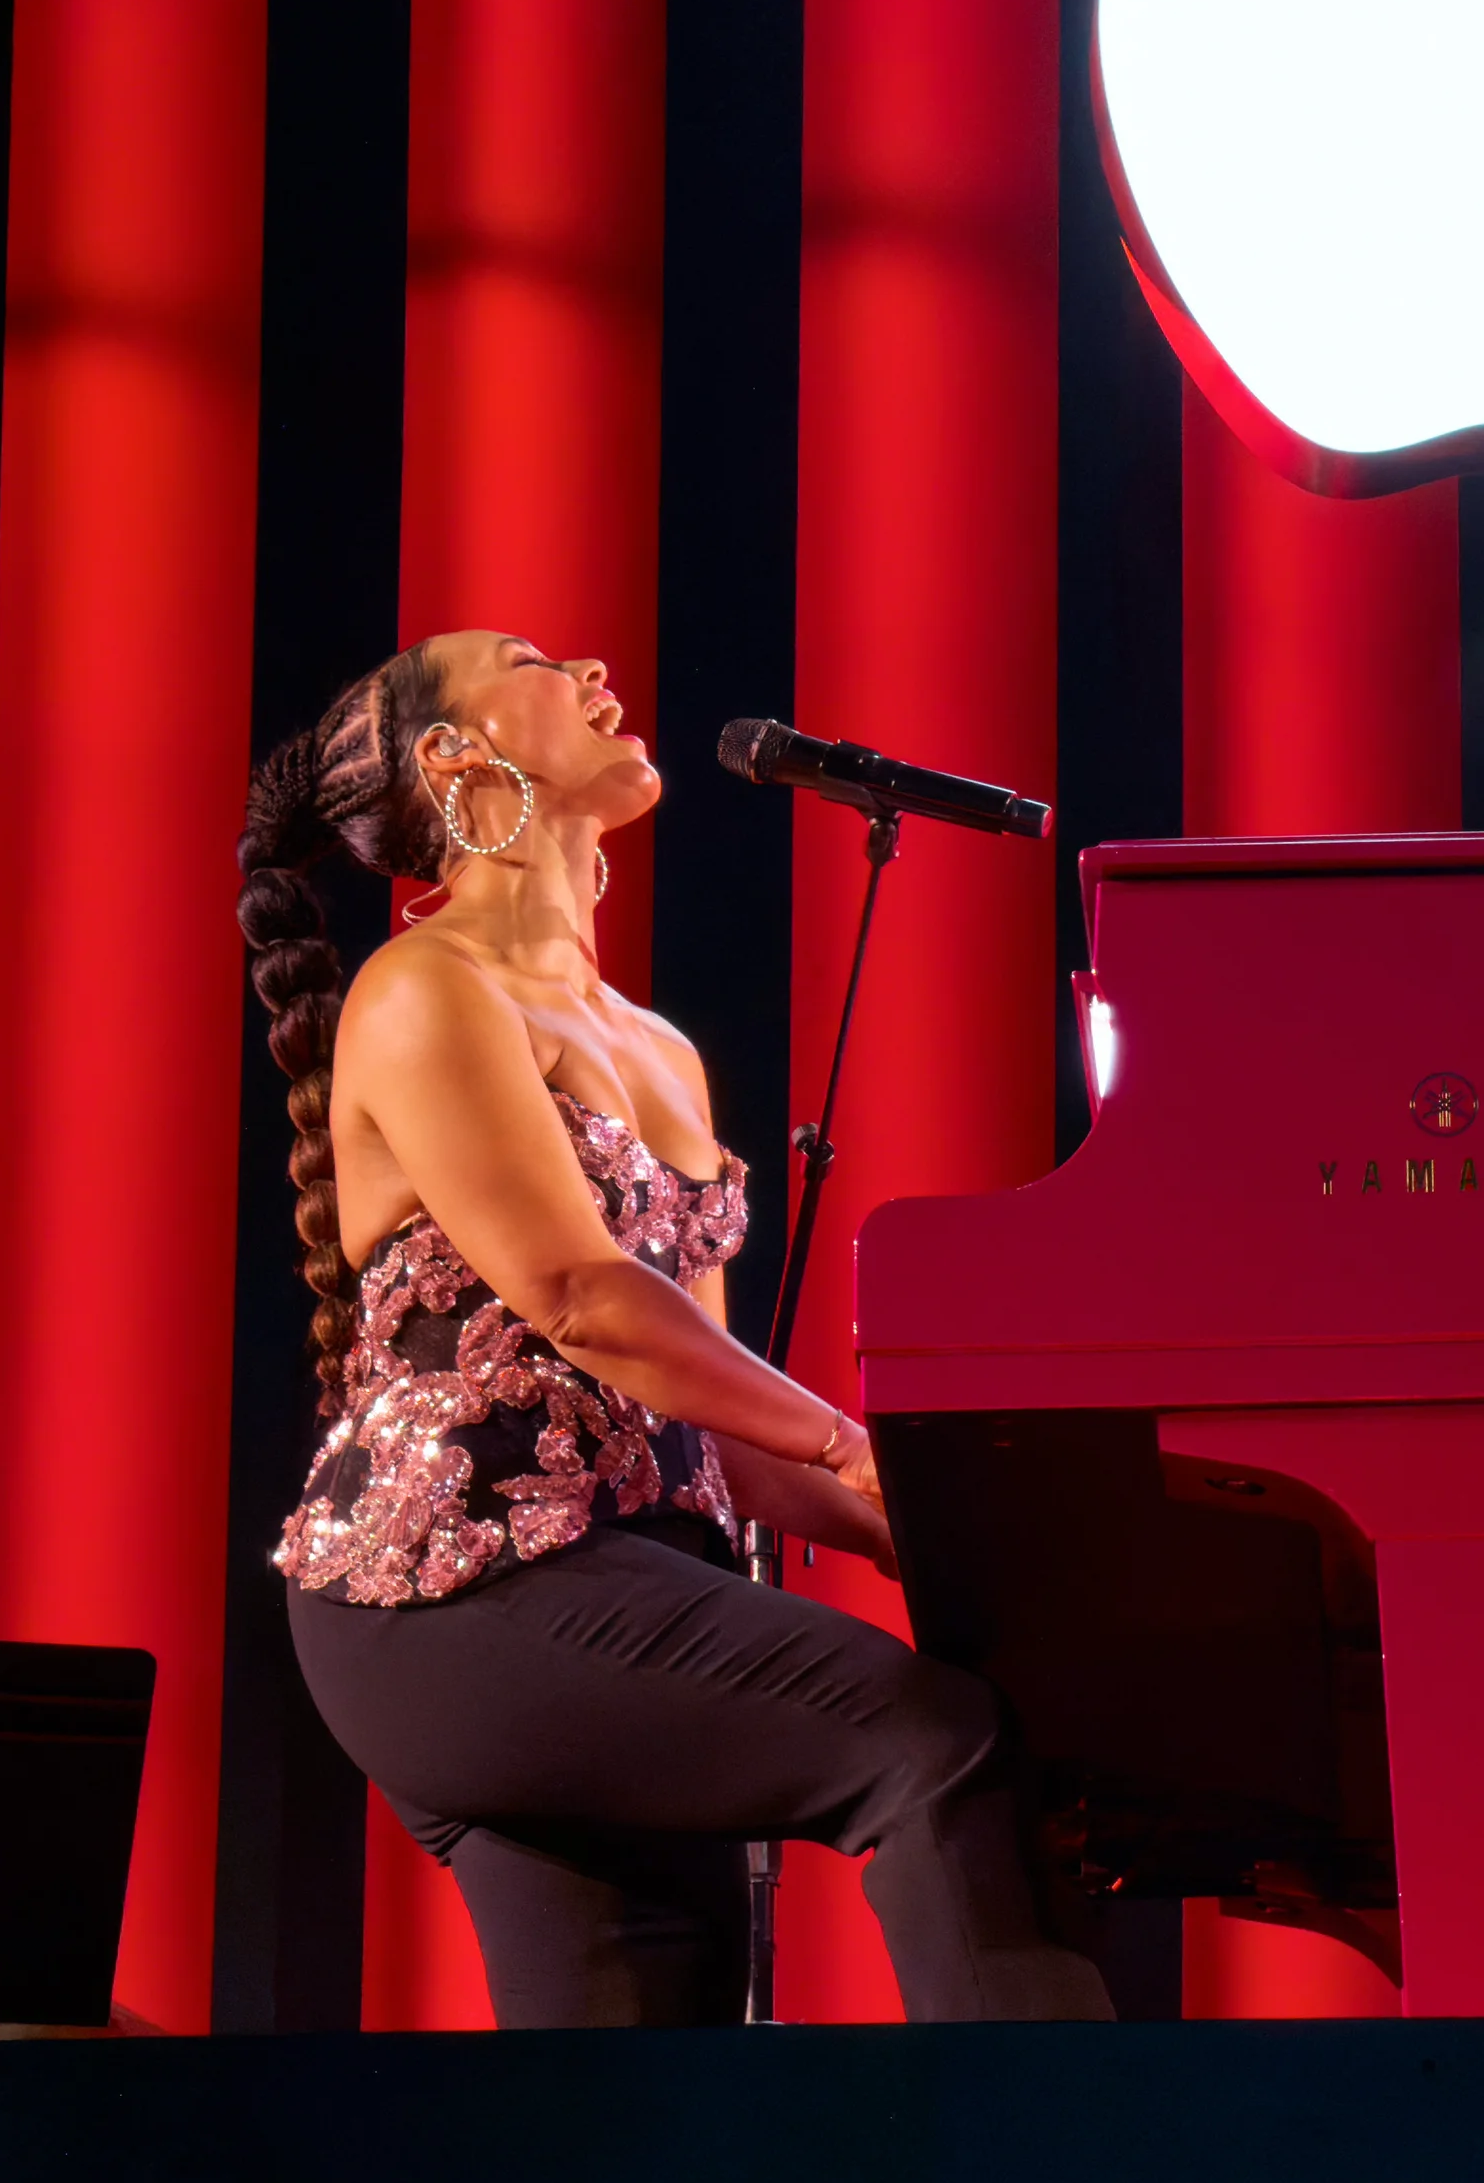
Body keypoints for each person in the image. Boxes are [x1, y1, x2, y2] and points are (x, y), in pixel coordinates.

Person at [237, 631, 1111, 2026]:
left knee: (642, 2070)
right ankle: (1064, 2161)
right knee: (935, 1744)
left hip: (617, 1575)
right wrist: (852, 1444)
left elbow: (702, 1421)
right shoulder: (426, 989)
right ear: (458, 755)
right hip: (453, 1595)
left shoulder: (661, 1052)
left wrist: (912, 1532)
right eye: (528, 660)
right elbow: (582, 1298)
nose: (590, 665)